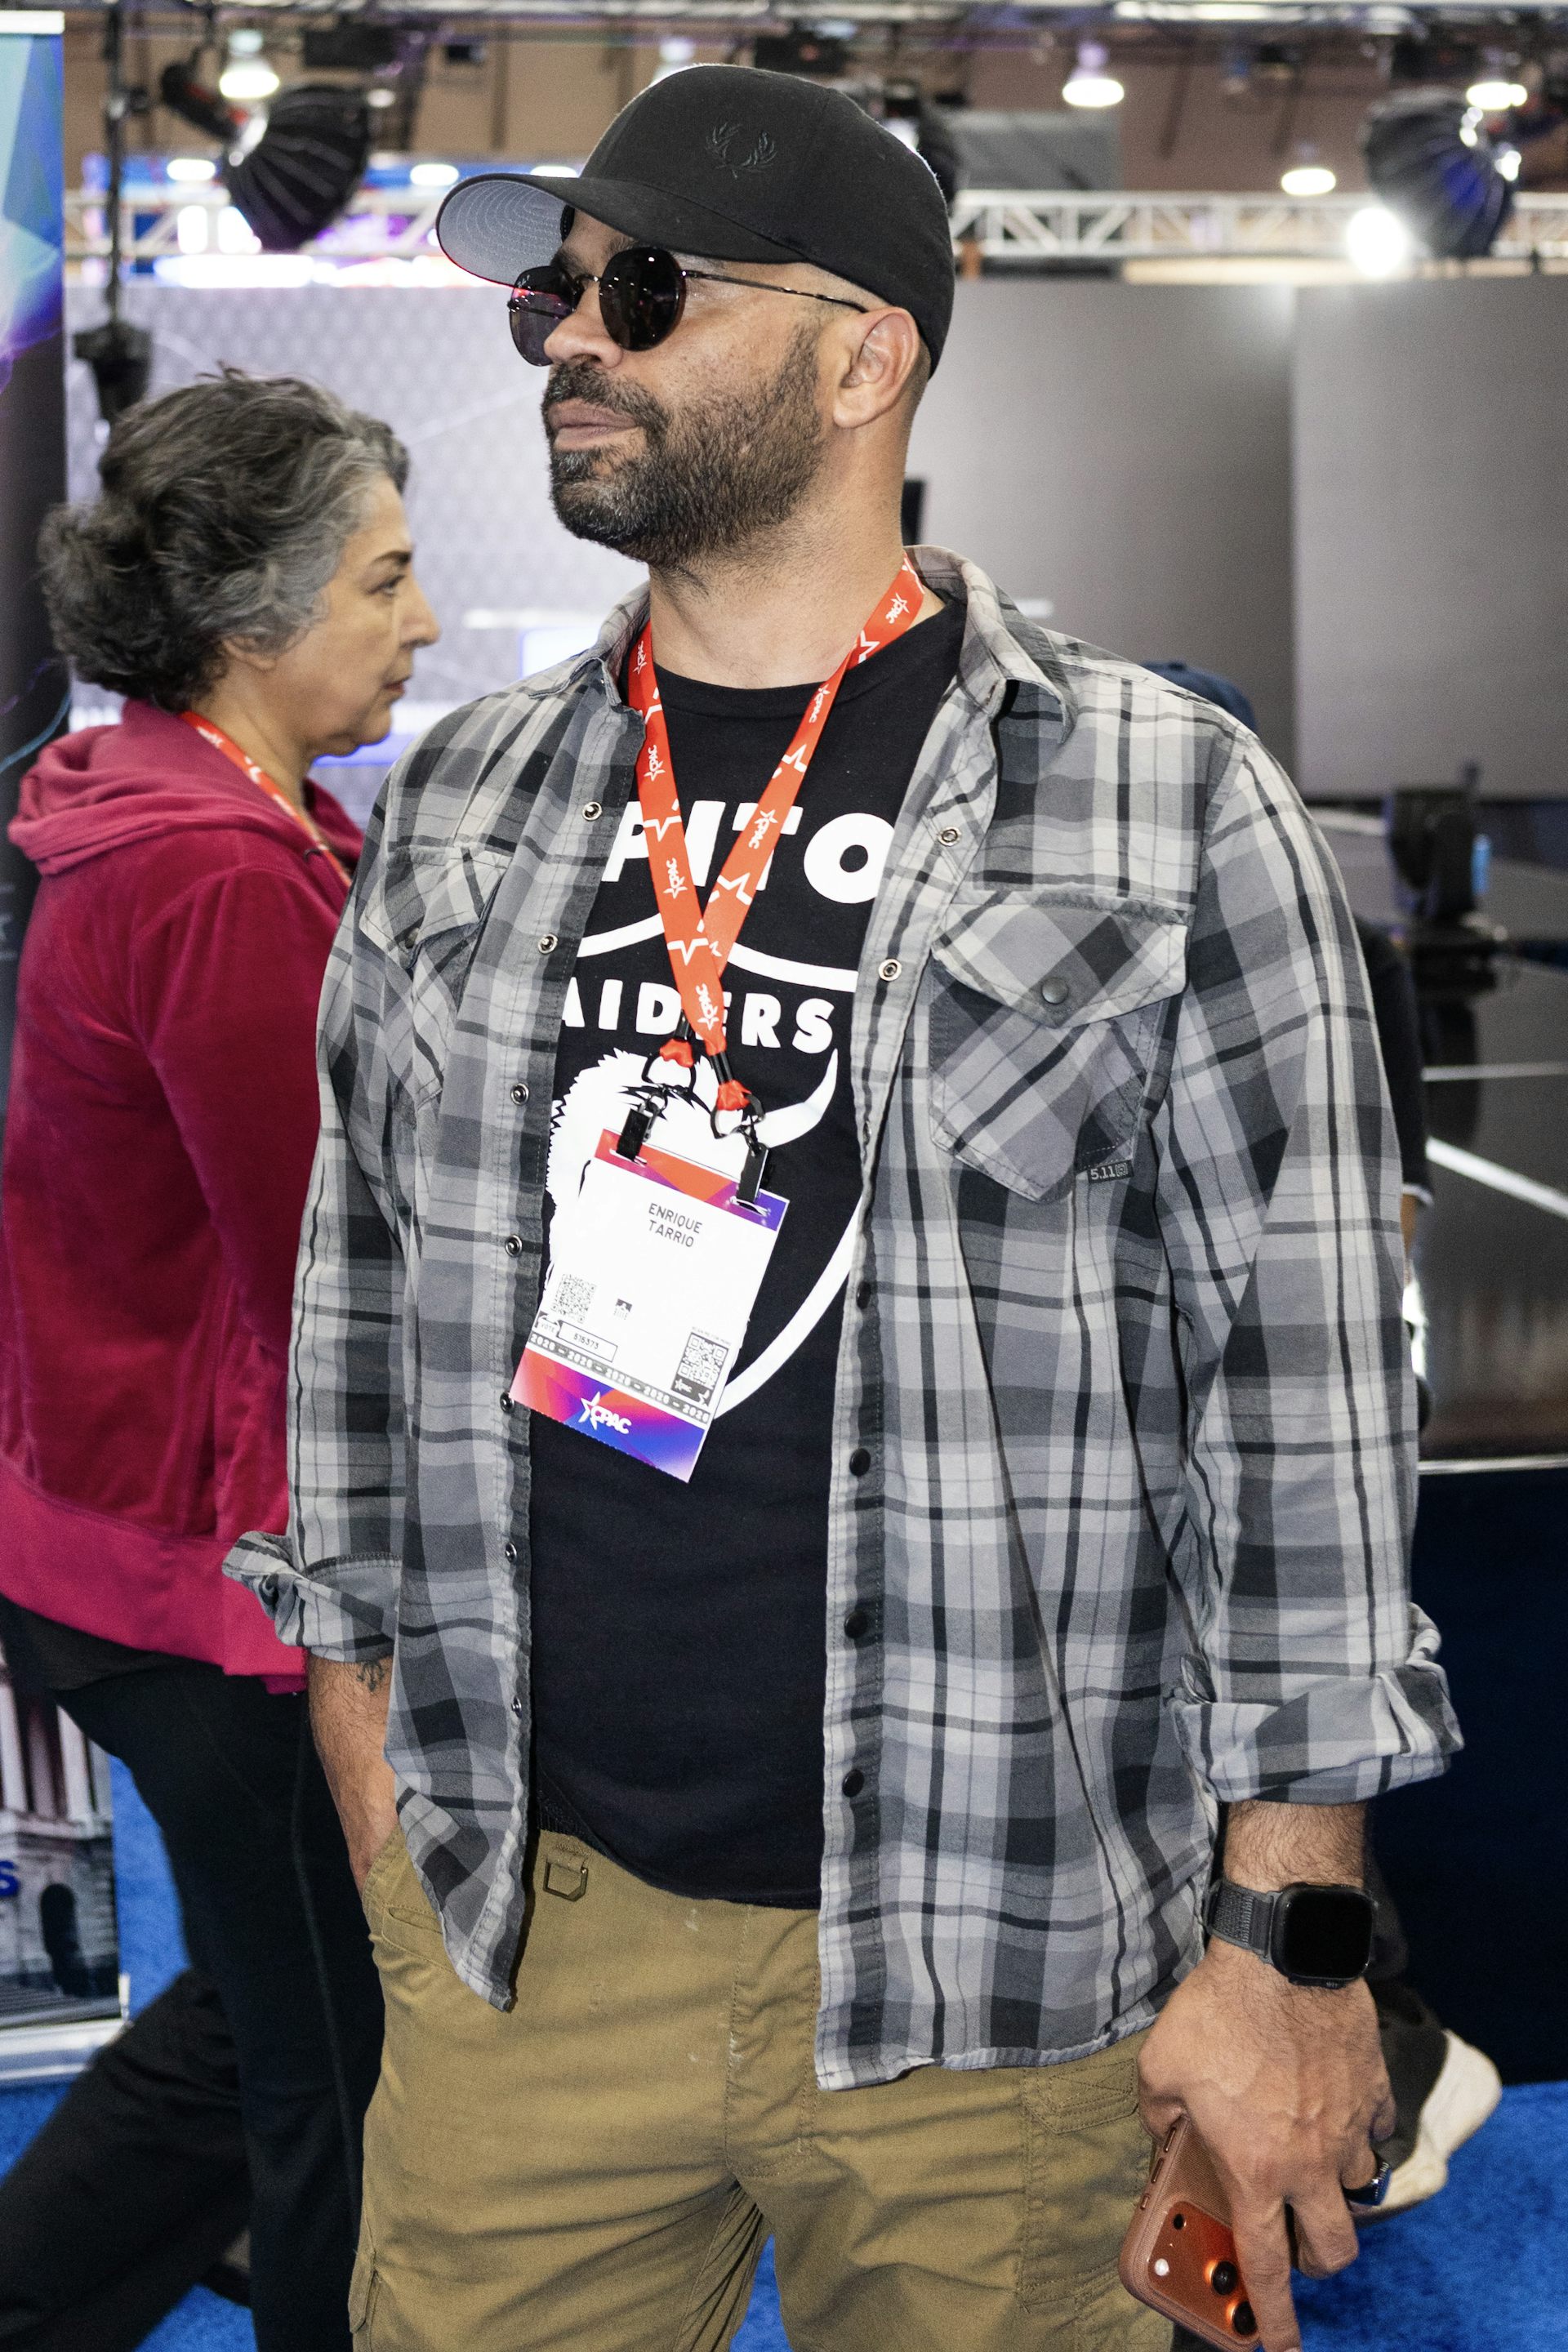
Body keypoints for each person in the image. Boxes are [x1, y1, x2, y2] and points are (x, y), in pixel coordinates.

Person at [231, 68, 1459, 2352]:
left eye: (647, 288)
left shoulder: (1163, 802)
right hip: (528, 1939)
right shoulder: (475, 800)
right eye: (557, 296)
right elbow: (359, 1302)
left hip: (1007, 1966)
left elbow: (1302, 1417)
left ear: (864, 350)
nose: (572, 338)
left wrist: (1284, 1944)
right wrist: (376, 1770)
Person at [0, 370, 439, 2352]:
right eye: (387, 580)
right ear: (256, 623)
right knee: (339, 2080)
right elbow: (326, 1272)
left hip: (133, 1544)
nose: (421, 623)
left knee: (287, 1994)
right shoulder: (216, 871)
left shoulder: (216, 814)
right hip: (205, 1582)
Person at [1144, 662, 1503, 2230]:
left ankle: (1396, 2059)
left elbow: (1377, 1234)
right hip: (1141, 1464)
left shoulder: (1336, 954)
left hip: (1287, 1442)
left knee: (1293, 1787)